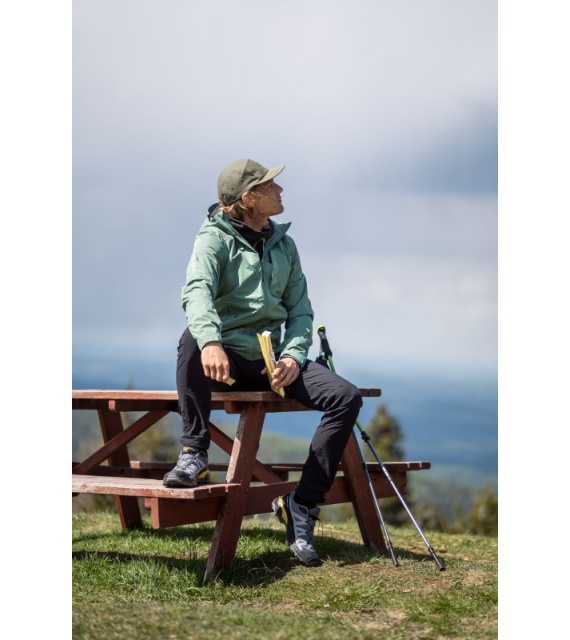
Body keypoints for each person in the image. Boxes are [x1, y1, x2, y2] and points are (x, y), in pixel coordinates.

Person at [163, 158, 363, 566]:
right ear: (248, 198)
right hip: (228, 360)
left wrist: (293, 356)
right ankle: (194, 453)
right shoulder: (212, 239)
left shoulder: (285, 245)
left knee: (346, 396)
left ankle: (301, 503)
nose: (280, 190)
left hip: (275, 362)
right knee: (191, 342)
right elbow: (196, 292)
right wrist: (211, 342)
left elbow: (301, 311)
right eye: (271, 185)